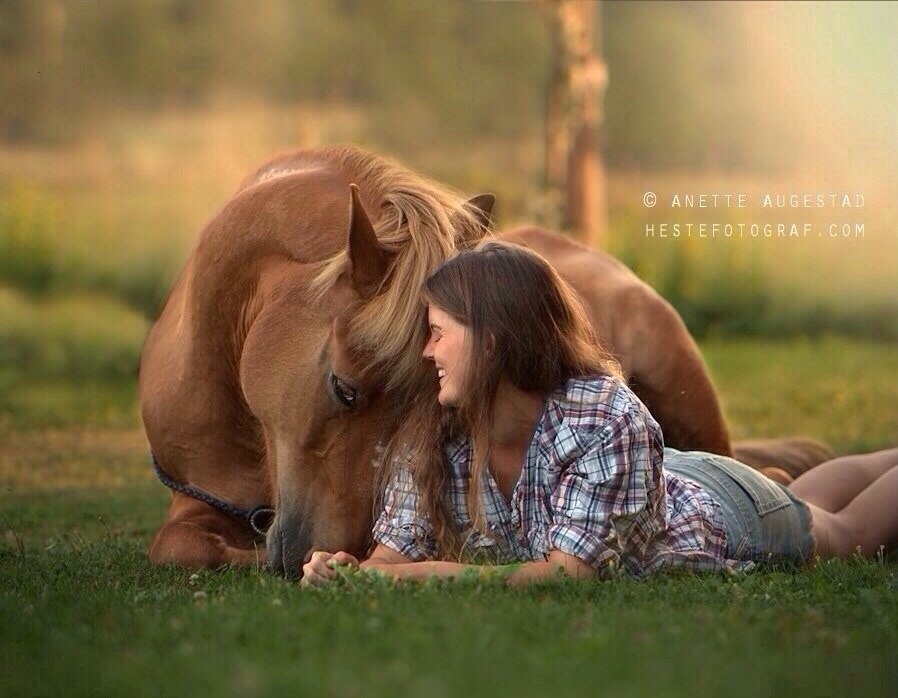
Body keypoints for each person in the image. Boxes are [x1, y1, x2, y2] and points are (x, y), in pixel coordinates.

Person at [301, 242, 898, 586]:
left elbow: (567, 576)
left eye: (438, 334)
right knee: (810, 498)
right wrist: (351, 570)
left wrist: (409, 580)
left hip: (721, 516)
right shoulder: (432, 428)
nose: (426, 352)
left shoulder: (602, 416)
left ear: (492, 340)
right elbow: (394, 556)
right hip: (658, 486)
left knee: (849, 532)